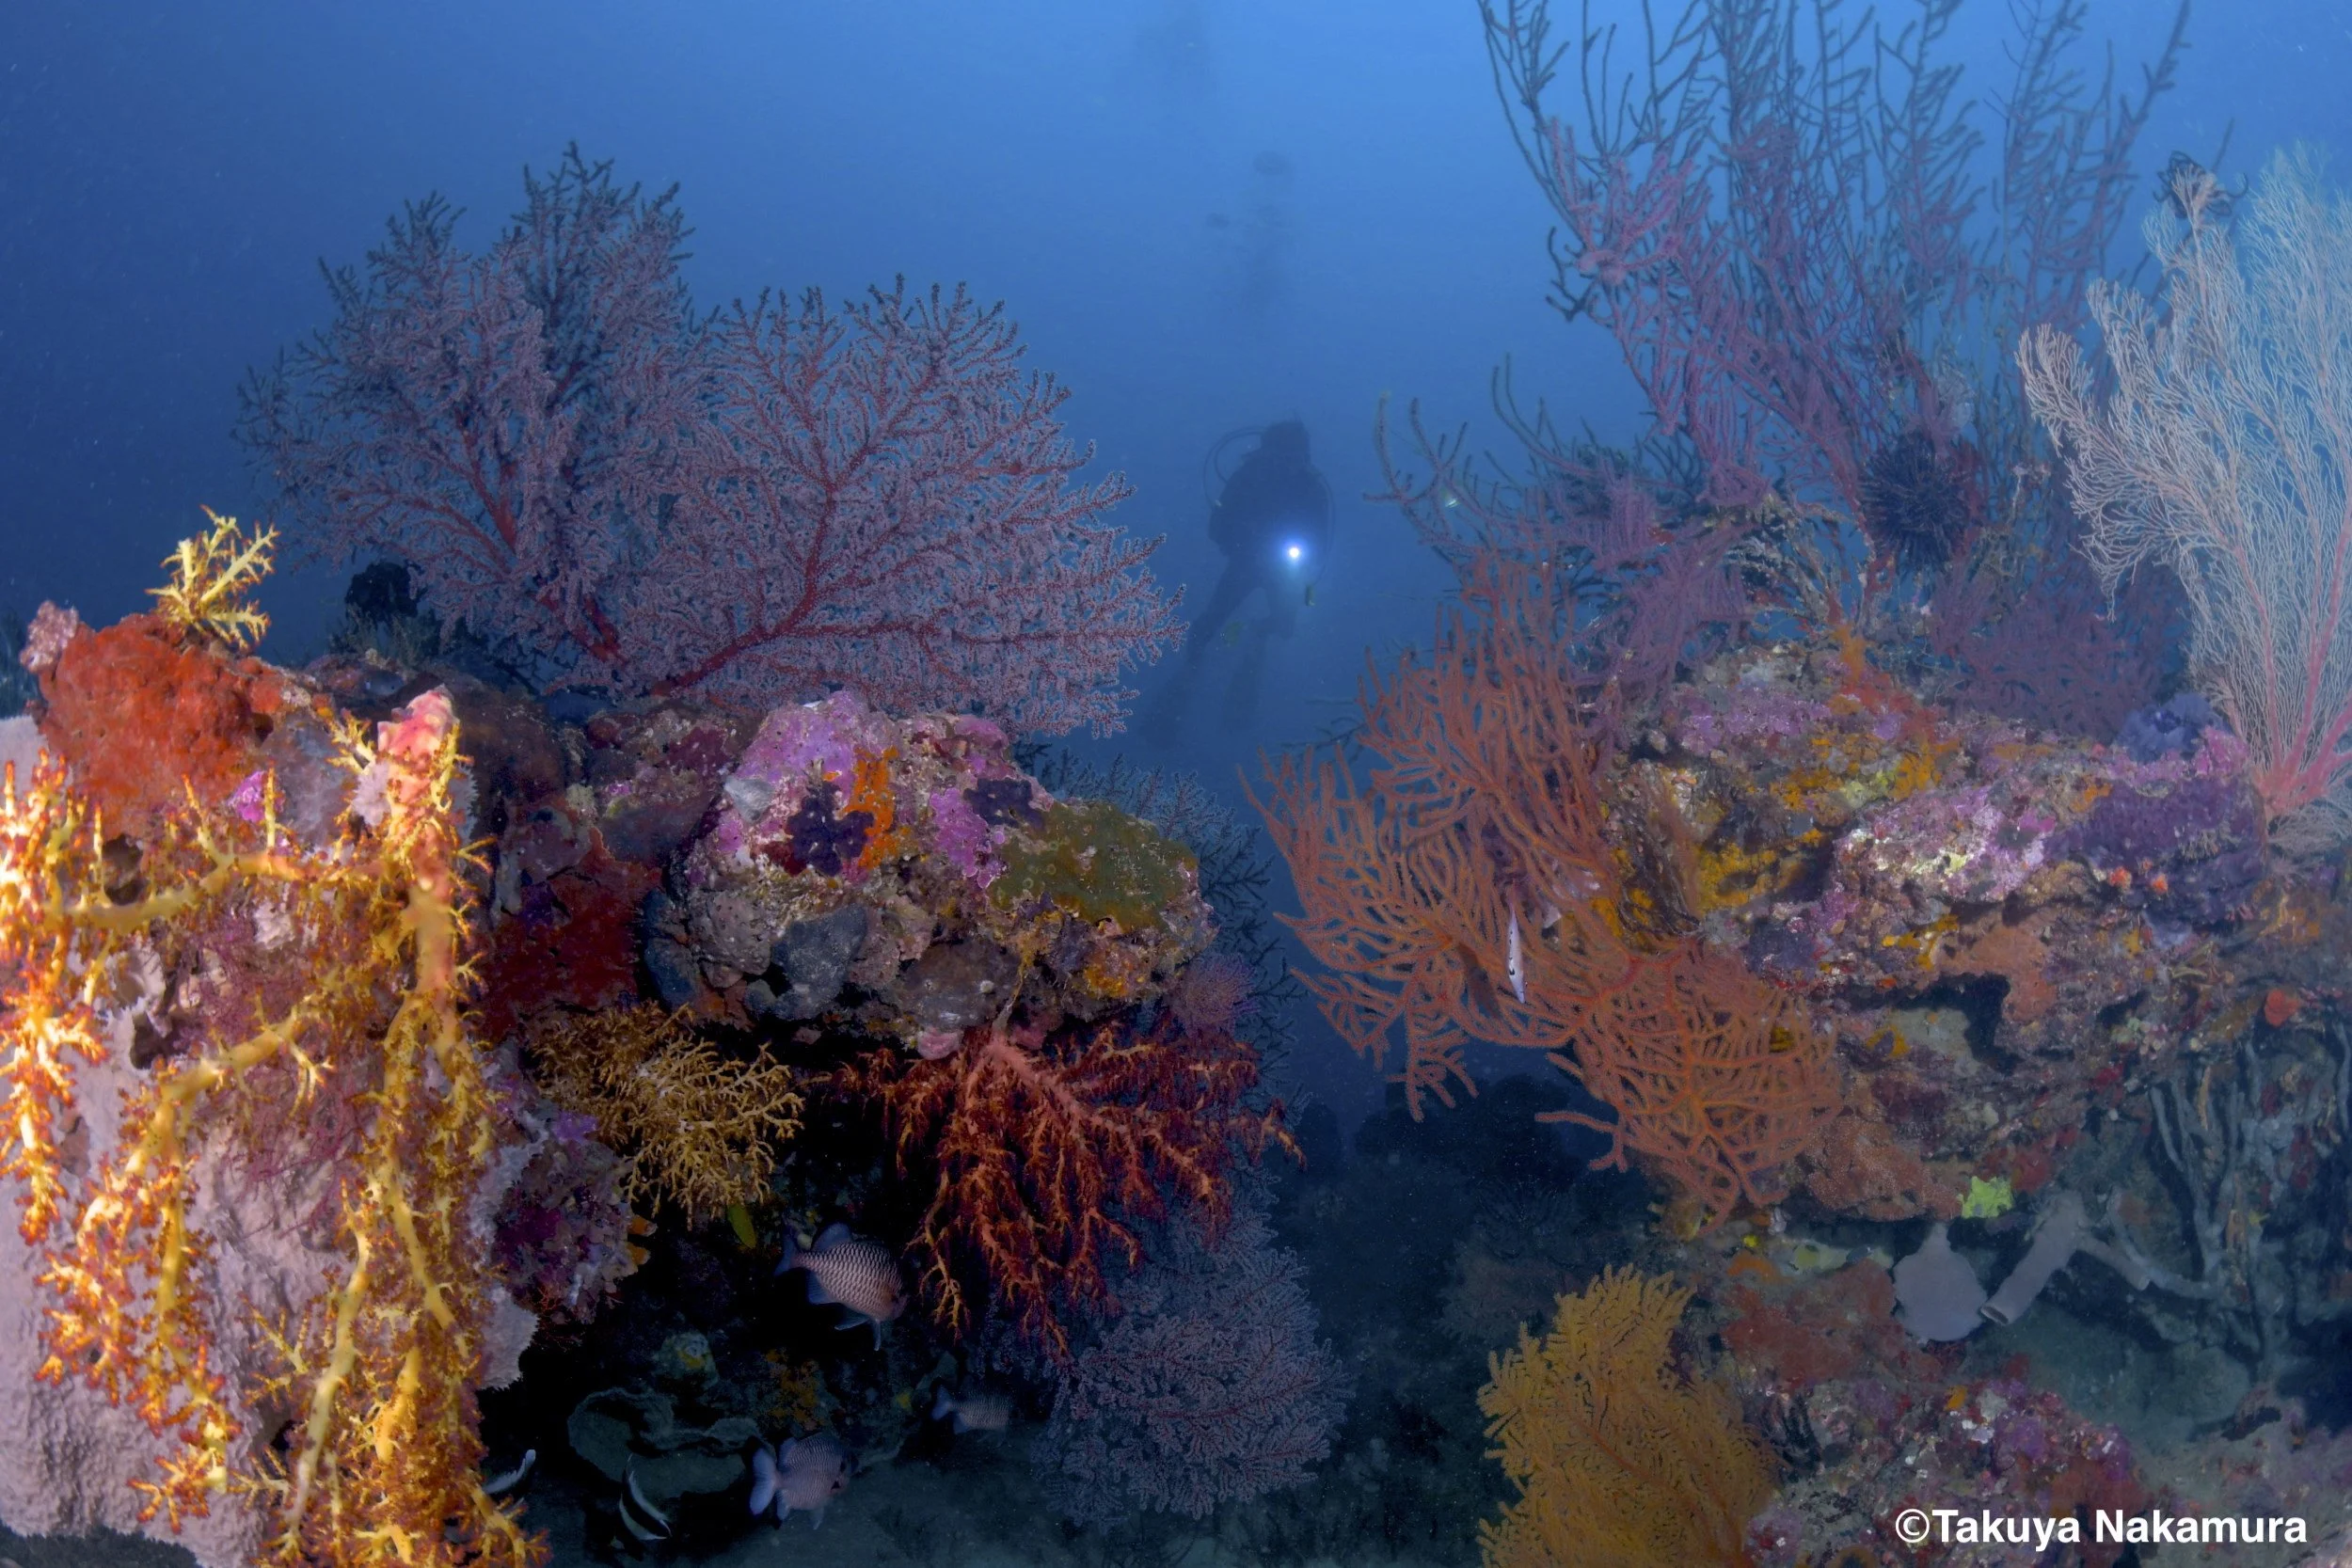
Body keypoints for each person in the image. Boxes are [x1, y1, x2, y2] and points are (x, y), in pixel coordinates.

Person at [1147, 420, 1332, 736]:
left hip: (1283, 570)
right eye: (1283, 456)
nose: (1288, 465)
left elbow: (1319, 539)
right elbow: (1217, 526)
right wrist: (1245, 541)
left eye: (1295, 457)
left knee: (1283, 627)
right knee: (1210, 622)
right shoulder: (1249, 477)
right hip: (1246, 562)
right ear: (1269, 452)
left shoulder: (1311, 488)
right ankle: (1188, 673)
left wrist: (1297, 553)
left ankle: (1256, 637)